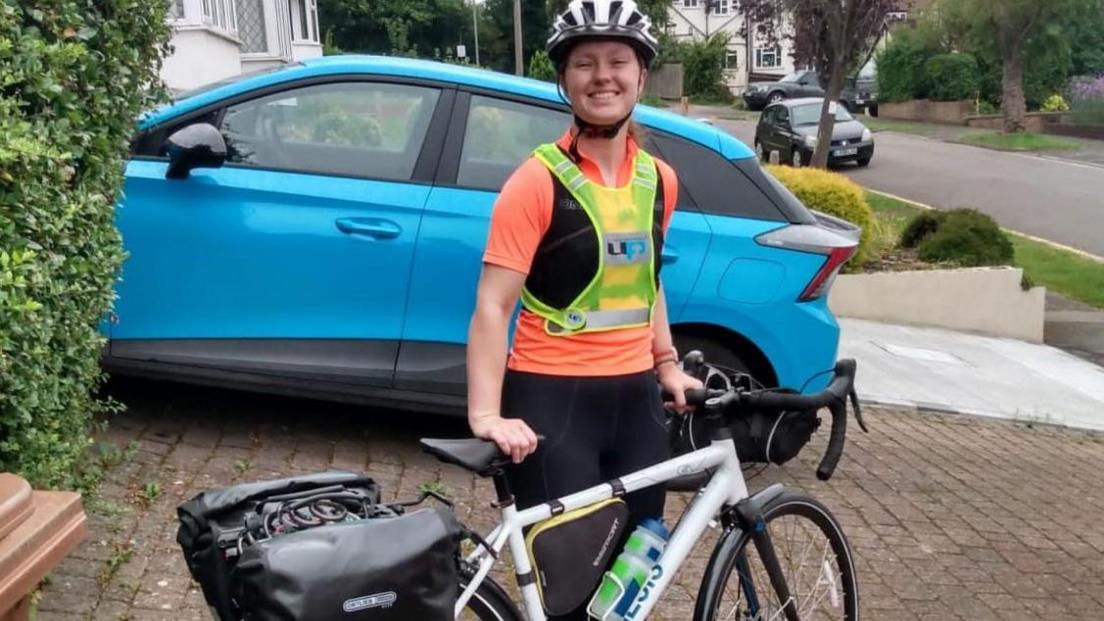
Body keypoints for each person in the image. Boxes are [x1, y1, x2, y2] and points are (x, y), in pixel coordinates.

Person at [466, 1, 702, 616]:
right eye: (585, 63)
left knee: (632, 578)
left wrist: (667, 364)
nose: (604, 75)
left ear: (641, 75)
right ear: (564, 80)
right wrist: (486, 414)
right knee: (566, 593)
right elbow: (493, 305)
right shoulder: (535, 182)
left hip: (636, 408)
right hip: (553, 404)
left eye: (618, 61)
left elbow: (646, 283)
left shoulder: (661, 180)